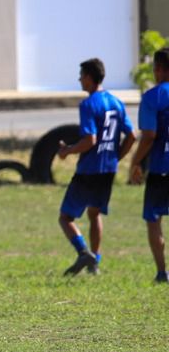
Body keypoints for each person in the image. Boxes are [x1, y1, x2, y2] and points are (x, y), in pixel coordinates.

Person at [56, 58, 134, 276]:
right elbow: (132, 135)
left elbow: (90, 140)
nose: (79, 79)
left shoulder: (89, 104)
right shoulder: (116, 102)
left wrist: (67, 151)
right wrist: (116, 156)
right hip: (108, 170)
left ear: (89, 78)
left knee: (65, 217)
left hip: (89, 170)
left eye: (81, 75)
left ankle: (83, 253)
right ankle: (95, 262)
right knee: (94, 214)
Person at [129, 48, 169, 284]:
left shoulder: (153, 97)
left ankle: (162, 272)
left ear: (158, 69)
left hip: (160, 168)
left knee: (154, 219)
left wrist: (135, 163)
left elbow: (149, 135)